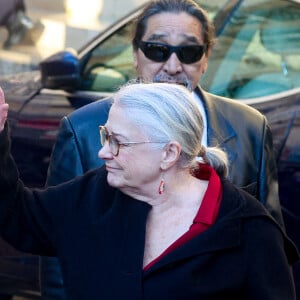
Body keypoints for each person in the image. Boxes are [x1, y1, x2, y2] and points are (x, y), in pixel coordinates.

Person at [41, 0, 285, 299]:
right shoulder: (82, 129)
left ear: (206, 57)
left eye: (189, 52)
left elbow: (270, 246)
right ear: (135, 54)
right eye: (157, 50)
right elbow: (56, 248)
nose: (172, 66)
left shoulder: (250, 126)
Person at [0, 83, 298, 300]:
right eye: (105, 135)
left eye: (118, 141)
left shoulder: (249, 232)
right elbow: (18, 215)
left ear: (169, 153)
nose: (103, 152)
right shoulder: (94, 193)